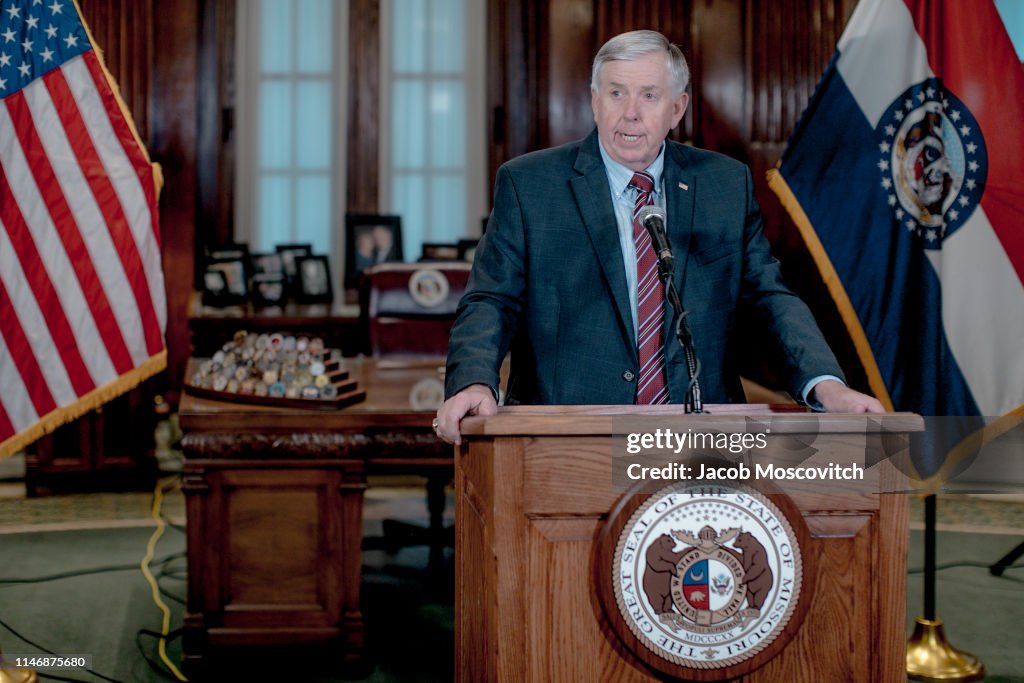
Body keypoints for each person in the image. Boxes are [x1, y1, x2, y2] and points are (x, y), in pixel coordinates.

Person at [434, 30, 883, 444]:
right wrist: (474, 379)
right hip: (566, 436)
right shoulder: (531, 185)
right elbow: (491, 300)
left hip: (701, 440)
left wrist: (826, 386)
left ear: (677, 108)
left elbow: (768, 297)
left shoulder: (724, 185)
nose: (630, 112)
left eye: (649, 95)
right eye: (616, 93)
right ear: (594, 101)